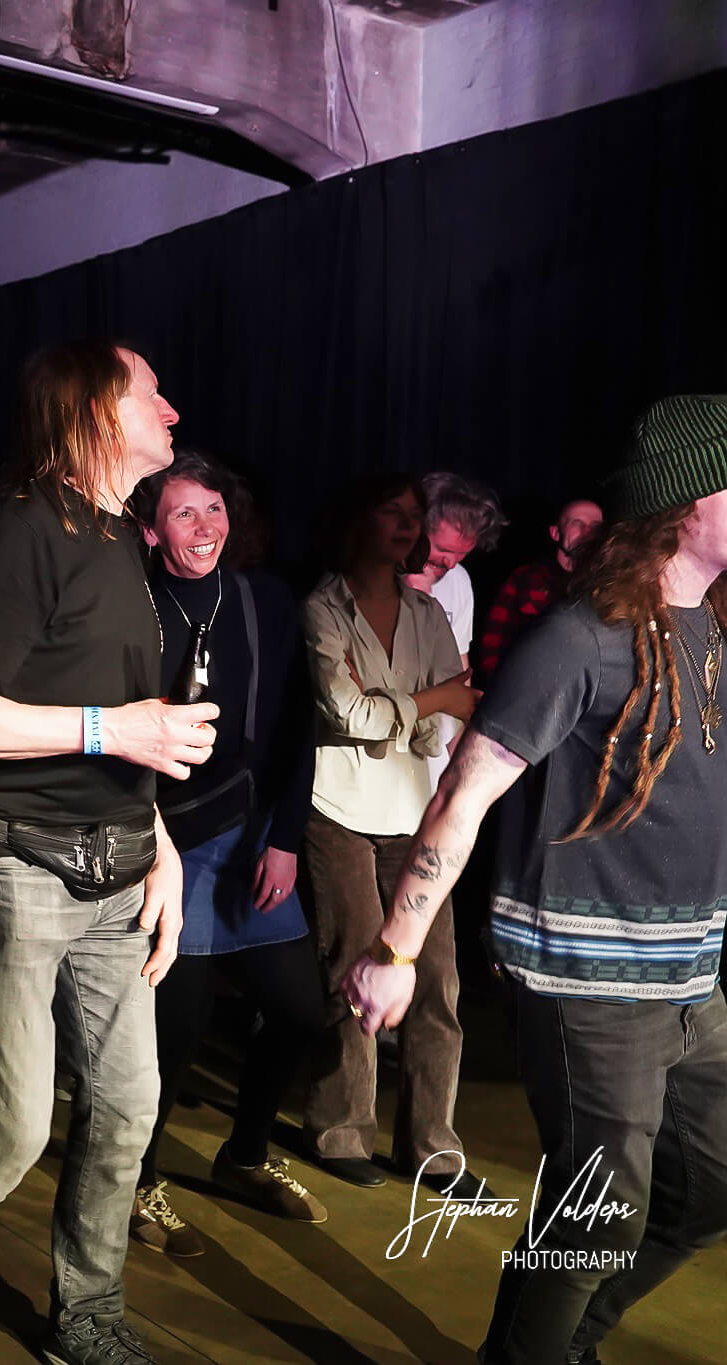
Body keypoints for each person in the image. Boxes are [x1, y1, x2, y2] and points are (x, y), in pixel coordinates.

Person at [342, 395, 727, 1365]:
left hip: (692, 979)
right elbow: (462, 793)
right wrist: (393, 948)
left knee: (707, 1188)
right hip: (589, 984)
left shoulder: (711, 628)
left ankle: (555, 1345)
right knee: (597, 1220)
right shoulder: (581, 638)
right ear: (686, 504)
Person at [0, 341, 217, 1365]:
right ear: (96, 412)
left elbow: (118, 715)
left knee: (127, 1110)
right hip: (17, 863)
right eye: (151, 393)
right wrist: (116, 730)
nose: (171, 408)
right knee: (12, 1123)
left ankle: (88, 1316)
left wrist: (160, 847)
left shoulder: (114, 537)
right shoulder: (20, 529)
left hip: (118, 865)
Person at [124, 452, 331, 1259]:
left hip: (251, 836)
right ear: (151, 529)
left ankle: (244, 1154)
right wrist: (149, 843)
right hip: (166, 840)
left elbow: (299, 725)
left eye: (213, 508)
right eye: (184, 512)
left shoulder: (263, 599)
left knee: (300, 1011)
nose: (205, 525)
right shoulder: (132, 603)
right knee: (174, 1033)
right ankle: (137, 1179)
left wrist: (284, 837)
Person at [297, 475, 481, 1194]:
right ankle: (342, 1129)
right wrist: (428, 699)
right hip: (337, 806)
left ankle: (432, 1145)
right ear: (357, 518)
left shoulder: (427, 611)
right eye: (392, 512)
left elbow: (442, 720)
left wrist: (402, 705)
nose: (408, 526)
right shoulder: (322, 606)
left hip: (412, 807)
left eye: (414, 516)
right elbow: (348, 714)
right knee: (353, 967)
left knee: (436, 980)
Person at [406, 473, 507, 791]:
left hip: (435, 758)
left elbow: (460, 671)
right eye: (442, 549)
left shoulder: (459, 581)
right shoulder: (372, 579)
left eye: (462, 553)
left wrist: (457, 758)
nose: (450, 563)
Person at [476, 497, 604, 681]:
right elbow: (493, 642)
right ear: (555, 532)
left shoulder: (608, 584)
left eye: (595, 526)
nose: (587, 532)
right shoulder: (525, 579)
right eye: (577, 523)